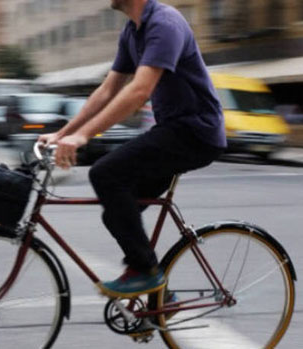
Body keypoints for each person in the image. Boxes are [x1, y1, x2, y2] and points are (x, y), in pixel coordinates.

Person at [38, 0, 227, 298]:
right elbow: (107, 90)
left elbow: (139, 91)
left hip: (195, 131)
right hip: (173, 130)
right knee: (117, 210)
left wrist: (83, 136)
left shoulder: (165, 24)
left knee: (105, 174)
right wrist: (64, 133)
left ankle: (145, 273)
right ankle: (160, 296)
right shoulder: (132, 31)